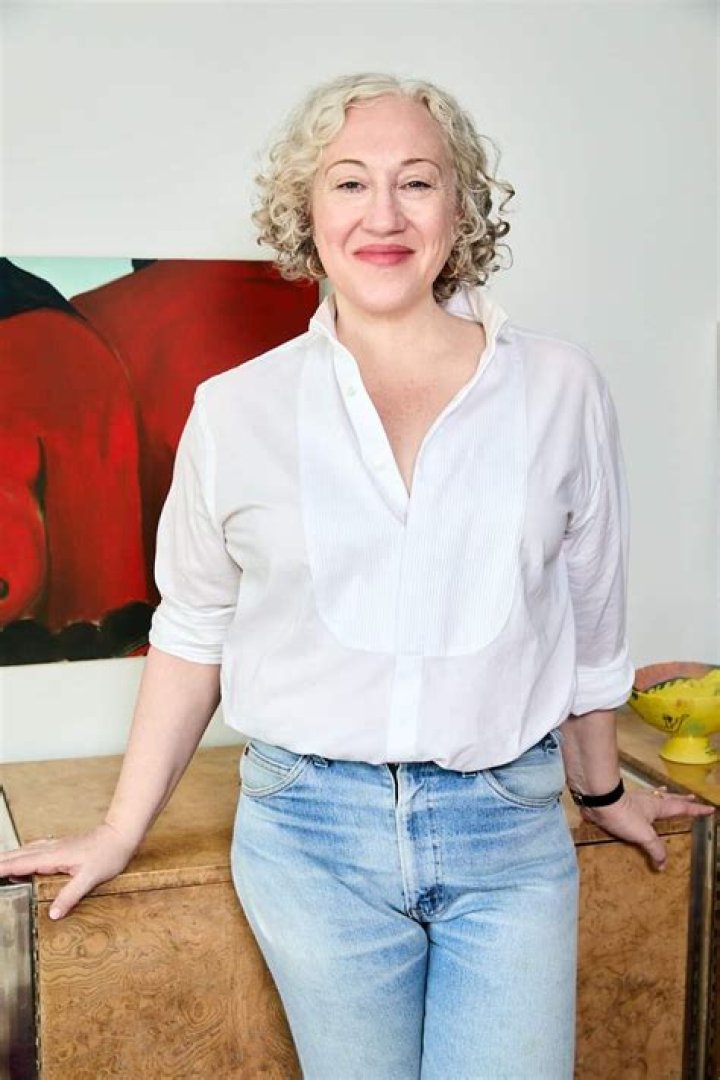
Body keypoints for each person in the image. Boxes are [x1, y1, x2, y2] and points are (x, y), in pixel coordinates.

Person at [0, 73, 711, 1080]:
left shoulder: (561, 387)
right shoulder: (235, 409)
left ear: (461, 209)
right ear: (307, 212)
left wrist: (600, 791)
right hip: (307, 838)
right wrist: (122, 829)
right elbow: (192, 631)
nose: (383, 215)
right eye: (348, 183)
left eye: (417, 182)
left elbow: (591, 620)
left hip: (508, 831)